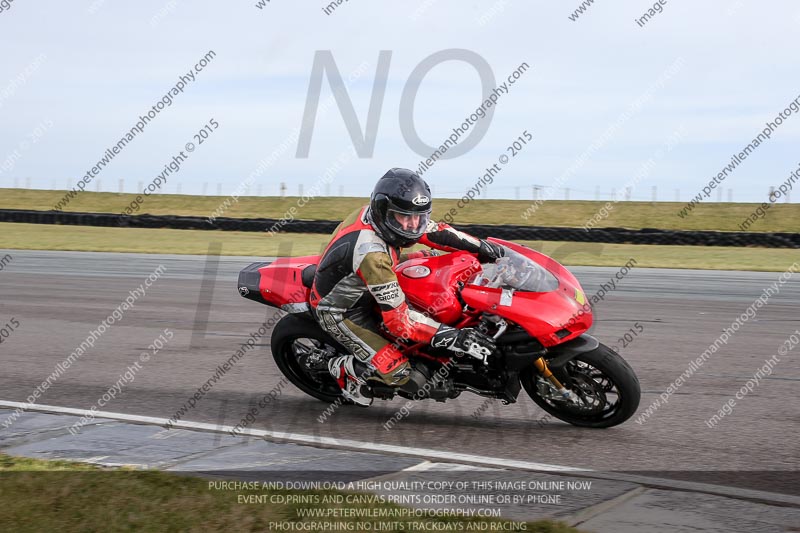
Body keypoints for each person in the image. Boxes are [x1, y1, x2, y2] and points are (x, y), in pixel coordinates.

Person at [310, 168, 504, 406]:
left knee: (436, 262)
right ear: (384, 213)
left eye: (419, 216)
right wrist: (456, 337)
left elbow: (437, 233)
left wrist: (483, 248)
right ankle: (343, 369)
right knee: (400, 373)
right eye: (405, 217)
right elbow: (400, 322)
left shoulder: (382, 216)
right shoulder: (372, 254)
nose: (414, 225)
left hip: (365, 277)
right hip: (344, 311)